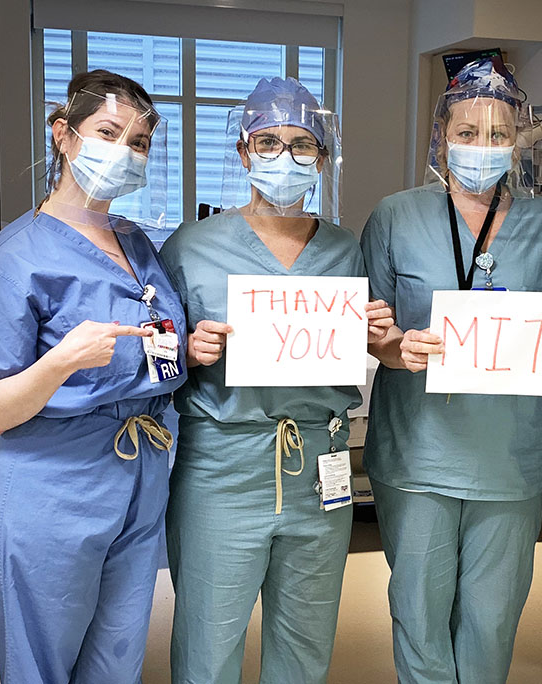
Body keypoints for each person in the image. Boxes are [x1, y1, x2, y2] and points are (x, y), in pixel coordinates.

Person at [0, 70, 184, 683]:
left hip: (140, 472)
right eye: (108, 132)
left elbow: (154, 345)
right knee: (41, 664)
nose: (125, 153)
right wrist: (59, 362)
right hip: (53, 487)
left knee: (119, 656)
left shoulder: (136, 242)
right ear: (63, 134)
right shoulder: (12, 258)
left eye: (138, 143)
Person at [159, 76, 394, 684]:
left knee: (306, 640)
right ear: (242, 151)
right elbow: (156, 355)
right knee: (208, 640)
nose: (284, 158)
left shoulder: (346, 249)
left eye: (301, 145)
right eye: (267, 142)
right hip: (222, 466)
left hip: (321, 465)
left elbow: (370, 343)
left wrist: (376, 333)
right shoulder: (190, 247)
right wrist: (188, 349)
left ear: (321, 157)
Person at [362, 57, 542, 684]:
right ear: (440, 139)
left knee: (492, 618)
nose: (481, 147)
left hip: (511, 459)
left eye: (497, 135)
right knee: (420, 613)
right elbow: (367, 331)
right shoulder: (396, 217)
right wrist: (393, 345)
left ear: (517, 142)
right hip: (419, 456)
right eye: (466, 133)